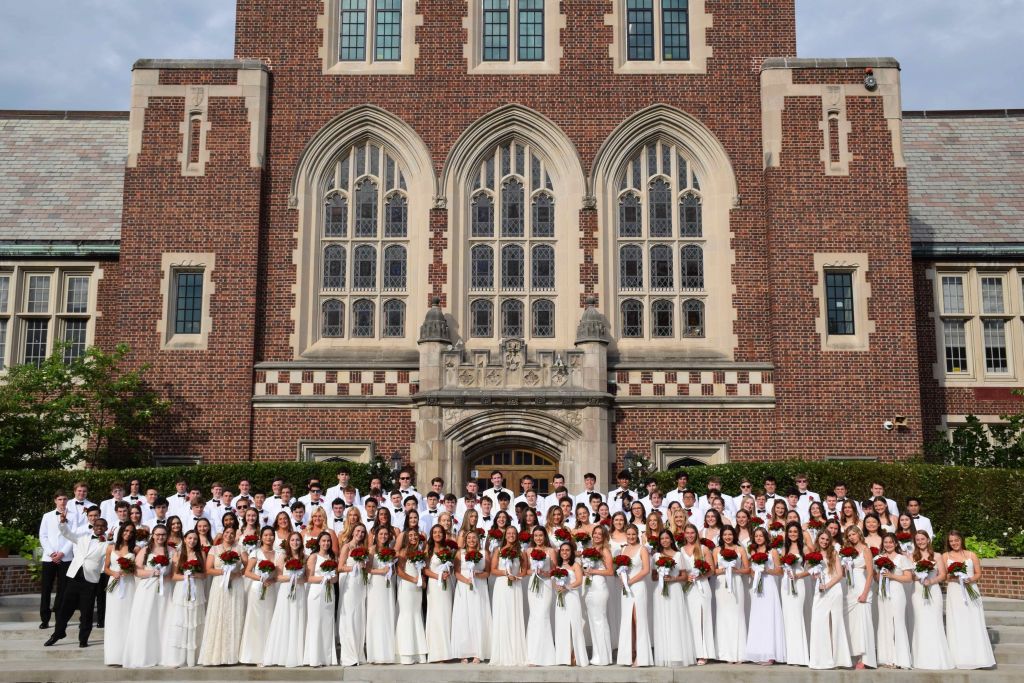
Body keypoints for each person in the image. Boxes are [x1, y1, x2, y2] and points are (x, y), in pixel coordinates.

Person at [44, 508, 106, 650]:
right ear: (93, 526)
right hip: (74, 577)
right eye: (97, 525)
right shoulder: (83, 537)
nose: (99, 528)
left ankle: (83, 639)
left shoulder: (107, 544)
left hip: (90, 581)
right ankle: (58, 633)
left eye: (102, 526)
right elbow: (67, 533)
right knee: (65, 608)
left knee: (87, 611)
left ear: (106, 528)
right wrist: (62, 522)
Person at [122, 523, 174, 667]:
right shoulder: (145, 550)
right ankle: (144, 655)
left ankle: (163, 655)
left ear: (167, 536)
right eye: (157, 534)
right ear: (153, 535)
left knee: (163, 619)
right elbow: (136, 571)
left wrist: (164, 576)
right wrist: (153, 573)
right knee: (146, 619)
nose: (160, 537)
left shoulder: (171, 551)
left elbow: (173, 573)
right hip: (147, 588)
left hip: (165, 589)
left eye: (163, 534)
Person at [944, 530, 996, 669]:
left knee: (973, 620)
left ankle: (978, 656)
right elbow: (945, 577)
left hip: (971, 589)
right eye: (951, 541)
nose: (954, 543)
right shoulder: (945, 556)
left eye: (956, 540)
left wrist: (969, 579)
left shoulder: (971, 554)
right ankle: (959, 657)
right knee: (958, 622)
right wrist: (956, 577)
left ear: (961, 540)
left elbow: (978, 573)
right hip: (955, 592)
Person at [197, 526, 246, 666]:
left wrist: (237, 574)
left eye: (232, 533)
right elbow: (208, 569)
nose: (229, 535)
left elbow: (247, 566)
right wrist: (223, 572)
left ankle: (232, 655)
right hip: (219, 585)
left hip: (235, 585)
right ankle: (215, 655)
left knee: (234, 615)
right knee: (218, 615)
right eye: (227, 533)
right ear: (222, 534)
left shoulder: (240, 548)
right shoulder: (214, 549)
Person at [909, 530, 954, 670]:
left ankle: (938, 658)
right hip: (918, 591)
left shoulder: (937, 555)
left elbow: (942, 574)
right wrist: (919, 576)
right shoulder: (912, 556)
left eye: (923, 539)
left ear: (928, 540)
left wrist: (931, 580)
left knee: (935, 622)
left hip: (933, 590)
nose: (920, 541)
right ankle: (920, 659)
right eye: (918, 540)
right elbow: (910, 576)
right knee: (920, 622)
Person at [161, 530, 207, 667]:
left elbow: (204, 574)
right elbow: (174, 576)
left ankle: (194, 656)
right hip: (182, 589)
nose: (192, 541)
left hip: (196, 588)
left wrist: (194, 575)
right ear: (185, 539)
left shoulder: (201, 554)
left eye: (195, 539)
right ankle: (179, 657)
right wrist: (186, 576)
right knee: (182, 620)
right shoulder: (177, 554)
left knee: (195, 620)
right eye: (190, 538)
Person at [807, 530, 852, 669]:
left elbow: (840, 575)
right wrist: (815, 576)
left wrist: (826, 585)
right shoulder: (813, 554)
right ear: (818, 539)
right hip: (819, 590)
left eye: (827, 539)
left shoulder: (834, 553)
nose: (824, 542)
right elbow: (811, 572)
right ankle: (820, 659)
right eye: (822, 539)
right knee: (818, 622)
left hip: (833, 589)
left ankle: (839, 659)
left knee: (836, 622)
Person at [650, 530, 695, 667]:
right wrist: (661, 575)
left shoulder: (678, 555)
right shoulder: (656, 556)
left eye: (667, 538)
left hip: (675, 590)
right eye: (662, 538)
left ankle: (677, 654)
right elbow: (653, 577)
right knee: (663, 620)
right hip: (660, 591)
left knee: (675, 620)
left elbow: (684, 576)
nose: (664, 540)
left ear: (671, 540)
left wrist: (672, 578)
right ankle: (664, 654)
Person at [262, 532, 307, 667]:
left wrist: (297, 579)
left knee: (297, 618)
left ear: (301, 542)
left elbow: (306, 578)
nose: (295, 542)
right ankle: (281, 654)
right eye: (292, 540)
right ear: (289, 542)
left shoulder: (305, 557)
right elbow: (278, 577)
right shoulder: (282, 556)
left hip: (299, 590)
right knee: (285, 618)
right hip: (285, 590)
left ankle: (297, 655)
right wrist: (291, 577)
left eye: (297, 540)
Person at [745, 526, 786, 665]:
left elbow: (780, 571)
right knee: (758, 617)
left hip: (769, 585)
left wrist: (766, 570)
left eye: (761, 536)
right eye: (756, 536)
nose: (758, 538)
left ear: (765, 537)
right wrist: (756, 572)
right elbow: (751, 571)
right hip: (757, 587)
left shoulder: (772, 551)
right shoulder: (753, 551)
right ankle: (758, 652)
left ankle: (770, 654)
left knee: (769, 617)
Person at [238, 526, 278, 664]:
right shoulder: (256, 552)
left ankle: (269, 653)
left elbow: (279, 573)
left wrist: (271, 580)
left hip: (272, 589)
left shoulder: (278, 553)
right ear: (261, 537)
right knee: (256, 620)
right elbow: (247, 572)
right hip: (257, 589)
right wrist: (261, 579)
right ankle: (254, 655)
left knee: (269, 618)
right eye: (266, 535)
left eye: (271, 535)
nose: (269, 537)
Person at [489, 525, 528, 666]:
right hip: (501, 586)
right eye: (509, 533)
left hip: (515, 586)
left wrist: (516, 576)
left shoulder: (521, 552)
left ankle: (516, 652)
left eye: (514, 533)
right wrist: (506, 573)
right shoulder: (498, 550)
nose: (511, 535)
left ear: (516, 535)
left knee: (514, 616)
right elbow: (493, 570)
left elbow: (524, 570)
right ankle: (502, 652)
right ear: (505, 535)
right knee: (503, 616)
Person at [451, 529, 491, 663]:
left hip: (479, 586)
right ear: (465, 540)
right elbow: (456, 572)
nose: (471, 540)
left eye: (474, 538)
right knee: (463, 616)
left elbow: (487, 573)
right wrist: (466, 580)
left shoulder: (484, 553)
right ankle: (463, 652)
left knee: (478, 616)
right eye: (469, 538)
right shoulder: (459, 553)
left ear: (478, 540)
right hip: (463, 586)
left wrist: (477, 576)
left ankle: (478, 652)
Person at [616, 524, 653, 667]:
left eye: (633, 534)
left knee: (638, 620)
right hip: (625, 589)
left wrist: (630, 581)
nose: (631, 537)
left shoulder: (642, 549)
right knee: (627, 620)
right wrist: (622, 579)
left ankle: (641, 656)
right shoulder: (623, 549)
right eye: (628, 534)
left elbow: (646, 570)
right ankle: (628, 654)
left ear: (637, 534)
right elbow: (619, 569)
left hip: (638, 587)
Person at [875, 533, 913, 669]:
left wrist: (892, 576)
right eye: (886, 542)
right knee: (885, 622)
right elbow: (875, 577)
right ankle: (886, 658)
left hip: (897, 591)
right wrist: (880, 578)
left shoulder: (902, 558)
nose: (888, 544)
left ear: (896, 544)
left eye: (891, 542)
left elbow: (908, 578)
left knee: (898, 622)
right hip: (882, 593)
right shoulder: (878, 558)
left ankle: (900, 658)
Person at [842, 525, 877, 669]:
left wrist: (864, 593)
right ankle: (855, 655)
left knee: (863, 621)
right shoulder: (847, 552)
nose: (851, 537)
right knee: (852, 623)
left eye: (853, 534)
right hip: (849, 588)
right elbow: (844, 574)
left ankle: (865, 659)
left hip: (862, 587)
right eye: (849, 535)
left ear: (859, 534)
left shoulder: (866, 550)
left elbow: (870, 574)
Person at [102, 522, 137, 666]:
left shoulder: (135, 549)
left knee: (128, 617)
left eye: (131, 531)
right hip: (114, 585)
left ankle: (127, 654)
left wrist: (127, 571)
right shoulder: (110, 547)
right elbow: (106, 568)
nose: (128, 533)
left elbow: (137, 569)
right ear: (121, 531)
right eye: (126, 530)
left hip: (128, 585)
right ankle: (113, 655)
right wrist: (114, 573)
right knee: (114, 618)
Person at [713, 525, 748, 663]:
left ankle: (739, 653)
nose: (727, 537)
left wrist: (735, 570)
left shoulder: (740, 549)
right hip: (721, 585)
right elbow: (712, 570)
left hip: (736, 583)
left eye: (730, 534)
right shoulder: (716, 550)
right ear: (721, 536)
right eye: (725, 534)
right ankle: (725, 653)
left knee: (737, 615)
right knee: (723, 616)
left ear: (734, 535)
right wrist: (722, 570)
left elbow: (747, 569)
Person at [39, 490, 73, 630]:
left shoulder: (75, 516)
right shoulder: (47, 516)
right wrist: (52, 553)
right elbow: (43, 536)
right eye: (60, 499)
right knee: (46, 588)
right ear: (55, 500)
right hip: (49, 558)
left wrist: (62, 553)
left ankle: (59, 617)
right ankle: (45, 619)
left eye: (65, 499)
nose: (63, 502)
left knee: (63, 589)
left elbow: (74, 536)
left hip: (66, 558)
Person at [303, 531, 338, 667]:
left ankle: (327, 658)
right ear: (319, 542)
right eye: (323, 541)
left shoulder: (332, 556)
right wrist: (323, 578)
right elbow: (308, 578)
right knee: (316, 623)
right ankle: (315, 658)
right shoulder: (313, 557)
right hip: (316, 593)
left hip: (329, 593)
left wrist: (331, 578)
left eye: (328, 541)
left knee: (327, 624)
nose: (326, 543)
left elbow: (335, 578)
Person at [338, 523, 369, 666]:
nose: (360, 534)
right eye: (358, 531)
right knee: (349, 616)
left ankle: (358, 653)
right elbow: (340, 567)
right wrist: (354, 567)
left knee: (359, 616)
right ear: (353, 532)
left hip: (360, 584)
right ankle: (349, 655)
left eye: (363, 532)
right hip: (349, 583)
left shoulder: (363, 549)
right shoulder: (346, 547)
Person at [395, 528, 428, 664]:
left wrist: (422, 581)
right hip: (407, 587)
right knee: (407, 615)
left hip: (417, 588)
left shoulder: (420, 552)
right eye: (411, 535)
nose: (413, 537)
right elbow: (399, 571)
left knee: (416, 615)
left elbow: (421, 570)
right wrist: (413, 579)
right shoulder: (403, 552)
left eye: (415, 535)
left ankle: (418, 653)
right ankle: (406, 653)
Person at [552, 542, 589, 666]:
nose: (564, 552)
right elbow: (553, 581)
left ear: (571, 552)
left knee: (575, 625)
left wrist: (567, 587)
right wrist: (556, 587)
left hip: (572, 597)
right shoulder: (557, 566)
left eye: (567, 550)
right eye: (562, 550)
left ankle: (576, 655)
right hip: (560, 598)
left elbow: (579, 581)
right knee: (561, 625)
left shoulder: (575, 565)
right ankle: (563, 657)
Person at [364, 527, 398, 664]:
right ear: (376, 536)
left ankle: (387, 653)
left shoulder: (391, 550)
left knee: (387, 615)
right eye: (381, 534)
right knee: (376, 615)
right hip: (376, 585)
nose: (383, 536)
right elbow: (367, 569)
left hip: (388, 585)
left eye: (386, 534)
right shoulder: (371, 550)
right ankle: (375, 654)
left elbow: (394, 569)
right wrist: (381, 571)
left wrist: (391, 570)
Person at [525, 526, 557, 666]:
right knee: (534, 616)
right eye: (536, 535)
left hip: (546, 584)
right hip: (533, 584)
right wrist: (534, 571)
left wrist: (546, 573)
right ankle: (532, 655)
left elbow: (555, 570)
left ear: (545, 536)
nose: (538, 538)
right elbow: (525, 570)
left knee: (543, 616)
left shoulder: (551, 551)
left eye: (541, 535)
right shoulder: (528, 551)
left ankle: (545, 655)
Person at [780, 521, 810, 667]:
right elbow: (779, 567)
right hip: (785, 583)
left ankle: (799, 656)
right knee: (787, 617)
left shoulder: (804, 548)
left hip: (798, 582)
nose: (792, 534)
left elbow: (810, 569)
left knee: (797, 616)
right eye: (790, 531)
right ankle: (789, 655)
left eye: (795, 532)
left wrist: (798, 576)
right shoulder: (784, 548)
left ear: (799, 533)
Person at [423, 524, 454, 662]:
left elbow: (451, 567)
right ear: (432, 534)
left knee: (446, 614)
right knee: (435, 616)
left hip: (446, 586)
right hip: (434, 586)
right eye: (434, 532)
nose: (437, 534)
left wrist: (448, 572)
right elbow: (424, 570)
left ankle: (446, 652)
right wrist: (438, 577)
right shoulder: (428, 550)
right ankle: (436, 652)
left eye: (439, 532)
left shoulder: (447, 549)